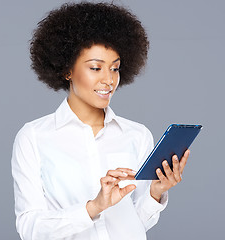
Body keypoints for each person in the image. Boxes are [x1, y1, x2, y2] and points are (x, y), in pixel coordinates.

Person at [11, 2, 189, 240]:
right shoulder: (33, 137)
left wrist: (156, 192)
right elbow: (29, 227)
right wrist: (93, 207)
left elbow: (137, 224)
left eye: (115, 68)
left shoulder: (137, 135)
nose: (108, 80)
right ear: (67, 70)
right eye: (96, 68)